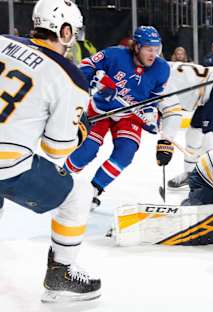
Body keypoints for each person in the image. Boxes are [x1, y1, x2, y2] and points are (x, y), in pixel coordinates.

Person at [0, 0, 101, 302]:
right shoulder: (68, 76)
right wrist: (80, 130)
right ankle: (61, 274)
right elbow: (55, 147)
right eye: (74, 33)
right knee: (79, 192)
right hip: (6, 165)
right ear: (65, 30)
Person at [63, 26, 172, 207]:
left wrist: (151, 114)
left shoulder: (162, 69)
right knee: (88, 149)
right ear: (136, 47)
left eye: (156, 49)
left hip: (129, 115)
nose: (153, 54)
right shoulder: (115, 54)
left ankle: (93, 191)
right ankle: (61, 178)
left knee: (126, 152)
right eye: (148, 49)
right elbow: (85, 66)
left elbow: (154, 98)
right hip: (102, 108)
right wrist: (95, 82)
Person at [164, 62, 213, 189]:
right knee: (192, 134)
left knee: (211, 139)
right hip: (205, 94)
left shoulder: (160, 79)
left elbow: (173, 116)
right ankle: (191, 174)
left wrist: (165, 141)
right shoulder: (163, 69)